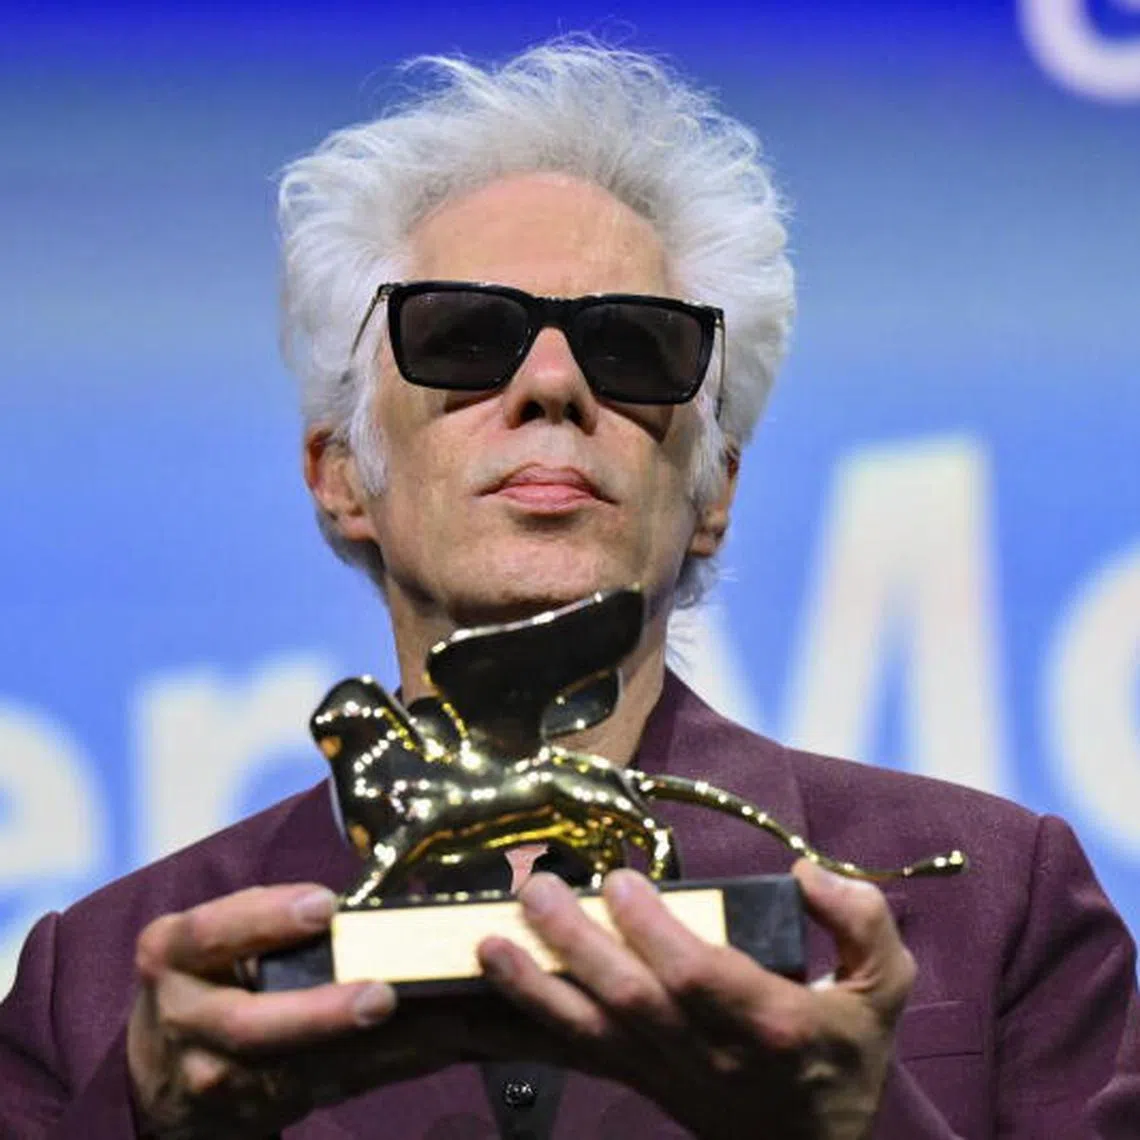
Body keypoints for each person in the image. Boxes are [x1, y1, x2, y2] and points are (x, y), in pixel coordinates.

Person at [0, 42, 1135, 1140]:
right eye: (466, 336)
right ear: (341, 476)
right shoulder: (100, 982)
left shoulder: (996, 903)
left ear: (712, 494)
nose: (553, 383)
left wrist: (857, 1128)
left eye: (632, 347)